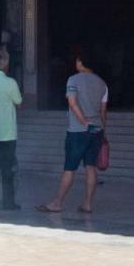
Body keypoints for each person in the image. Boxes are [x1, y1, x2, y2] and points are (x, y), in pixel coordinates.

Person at [38, 48, 107, 215]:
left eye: (77, 60)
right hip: (97, 131)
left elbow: (72, 103)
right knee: (91, 167)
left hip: (78, 131)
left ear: (81, 62)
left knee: (70, 167)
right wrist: (102, 130)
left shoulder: (73, 80)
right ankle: (88, 204)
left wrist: (83, 121)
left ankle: (57, 203)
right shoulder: (102, 83)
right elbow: (103, 111)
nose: (76, 63)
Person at [0, 49, 22, 210]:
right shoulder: (10, 83)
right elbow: (19, 102)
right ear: (6, 65)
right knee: (8, 171)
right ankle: (9, 203)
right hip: (7, 134)